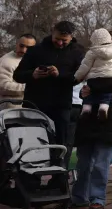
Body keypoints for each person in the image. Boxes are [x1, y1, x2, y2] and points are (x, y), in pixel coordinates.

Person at [70, 35, 112, 209]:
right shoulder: (92, 56)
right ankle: (79, 195)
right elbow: (82, 74)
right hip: (89, 115)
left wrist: (93, 87)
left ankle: (97, 197)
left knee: (100, 161)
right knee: (83, 162)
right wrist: (84, 87)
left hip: (110, 116)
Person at [13, 21, 86, 164]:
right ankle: (31, 178)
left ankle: (58, 177)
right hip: (35, 103)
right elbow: (17, 75)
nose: (59, 43)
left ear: (71, 37)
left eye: (64, 41)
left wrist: (60, 75)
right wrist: (32, 75)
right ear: (52, 32)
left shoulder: (77, 53)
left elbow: (78, 77)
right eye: (57, 39)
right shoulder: (36, 50)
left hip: (61, 105)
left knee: (61, 143)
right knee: (33, 142)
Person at [73, 29, 112, 119]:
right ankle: (99, 108)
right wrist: (83, 91)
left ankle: (87, 108)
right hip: (102, 112)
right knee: (103, 99)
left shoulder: (93, 52)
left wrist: (80, 80)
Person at [0, 33, 35, 105]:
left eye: (28, 48)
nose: (24, 50)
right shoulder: (6, 61)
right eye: (21, 46)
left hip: (27, 106)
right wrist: (30, 87)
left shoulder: (31, 59)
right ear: (16, 44)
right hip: (10, 108)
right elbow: (3, 87)